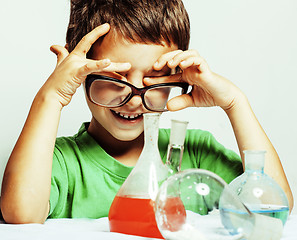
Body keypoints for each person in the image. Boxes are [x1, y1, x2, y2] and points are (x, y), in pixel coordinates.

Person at [0, 0, 293, 224]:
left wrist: (235, 103)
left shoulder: (197, 153)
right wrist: (51, 96)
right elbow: (20, 213)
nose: (134, 98)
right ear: (79, 71)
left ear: (177, 76)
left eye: (154, 77)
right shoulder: (60, 163)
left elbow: (273, 208)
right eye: (115, 76)